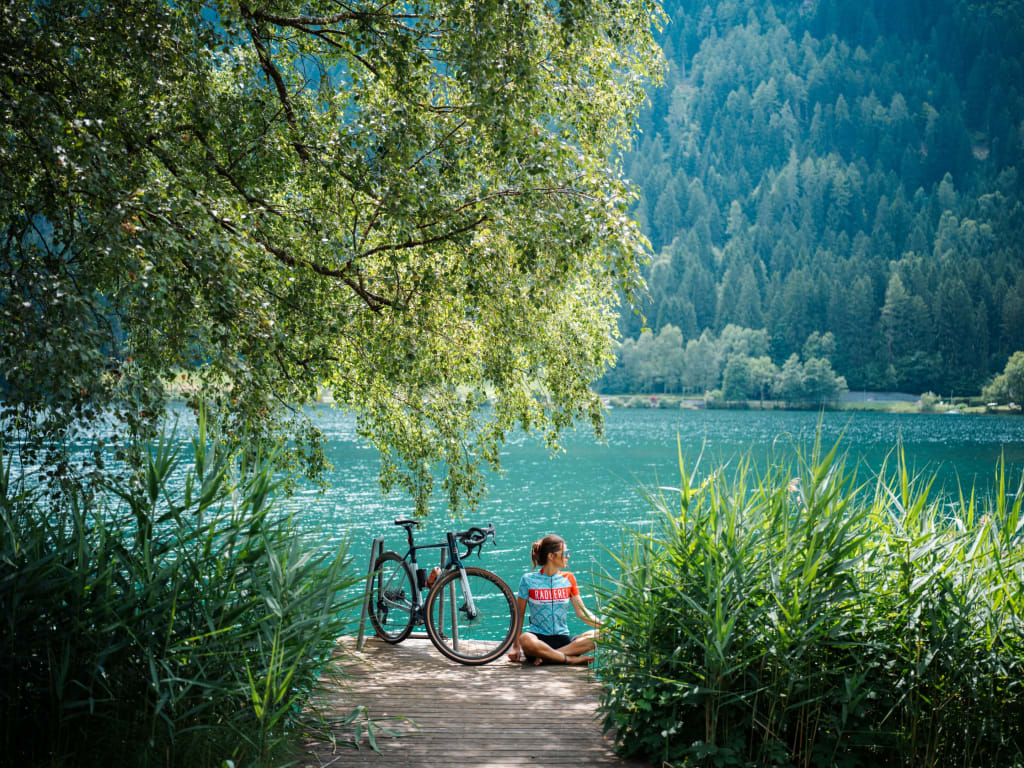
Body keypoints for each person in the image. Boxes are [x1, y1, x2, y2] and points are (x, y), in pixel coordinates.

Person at [507, 534, 602, 665]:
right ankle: (568, 659)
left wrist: (605, 627)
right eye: (565, 553)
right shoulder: (528, 580)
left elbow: (582, 612)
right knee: (525, 638)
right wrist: (516, 646)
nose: (568, 556)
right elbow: (519, 614)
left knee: (601, 636)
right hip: (538, 640)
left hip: (563, 640)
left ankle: (548, 657)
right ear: (551, 556)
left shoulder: (568, 579)